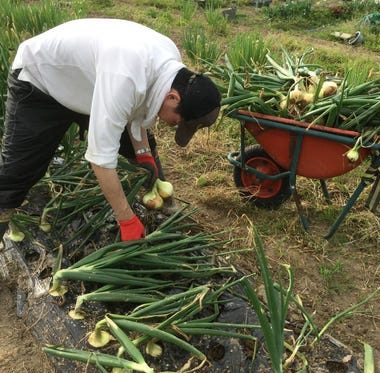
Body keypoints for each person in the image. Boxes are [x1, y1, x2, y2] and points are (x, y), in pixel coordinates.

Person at [0, 18, 221, 242]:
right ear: (173, 97)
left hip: (91, 83)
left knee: (141, 151)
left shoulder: (171, 64)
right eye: (178, 121)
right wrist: (125, 218)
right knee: (16, 174)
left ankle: (164, 211)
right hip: (41, 81)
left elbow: (140, 105)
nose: (174, 125)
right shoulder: (124, 77)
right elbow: (101, 160)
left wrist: (144, 153)